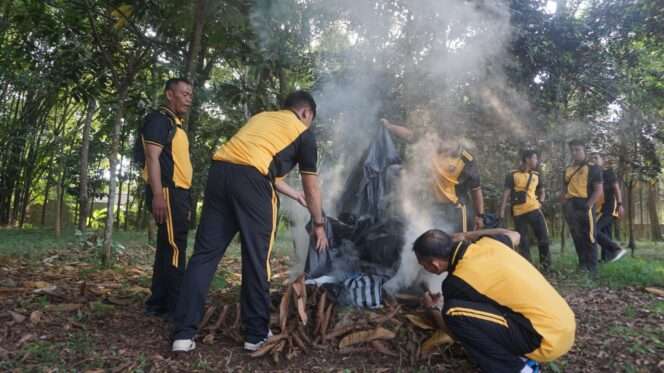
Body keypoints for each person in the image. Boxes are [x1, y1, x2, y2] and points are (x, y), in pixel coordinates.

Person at [171, 91, 328, 353]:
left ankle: (183, 335)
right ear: (306, 114)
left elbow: (259, 166)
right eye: (309, 119)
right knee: (257, 258)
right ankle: (256, 333)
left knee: (204, 255)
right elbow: (312, 187)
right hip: (252, 184)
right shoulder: (304, 133)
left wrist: (294, 195)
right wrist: (319, 224)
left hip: (219, 174)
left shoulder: (262, 118)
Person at [415, 228, 575, 373]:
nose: (425, 270)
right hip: (564, 324)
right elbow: (515, 234)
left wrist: (432, 309)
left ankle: (519, 369)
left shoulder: (455, 283)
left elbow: (454, 332)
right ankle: (521, 356)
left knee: (452, 312)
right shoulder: (489, 243)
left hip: (544, 340)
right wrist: (465, 235)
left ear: (435, 264)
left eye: (423, 265)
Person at [141, 78, 193, 319]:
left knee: (167, 247)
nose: (188, 98)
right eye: (184, 93)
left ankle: (158, 303)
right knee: (175, 248)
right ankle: (176, 306)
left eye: (190, 94)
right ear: (169, 95)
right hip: (168, 191)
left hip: (178, 193)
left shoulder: (176, 125)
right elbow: (152, 158)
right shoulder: (159, 120)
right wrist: (158, 194)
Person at [382, 119, 485, 232]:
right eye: (442, 137)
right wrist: (389, 126)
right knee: (434, 241)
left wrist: (479, 216)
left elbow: (476, 190)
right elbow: (408, 135)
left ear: (457, 139)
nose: (442, 141)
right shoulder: (429, 146)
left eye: (448, 138)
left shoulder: (466, 159)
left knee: (460, 242)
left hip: (458, 209)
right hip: (435, 207)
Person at [499, 150, 551, 271]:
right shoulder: (512, 175)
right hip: (518, 212)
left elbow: (542, 190)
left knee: (543, 237)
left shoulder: (536, 175)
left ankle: (546, 266)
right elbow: (506, 194)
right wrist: (501, 212)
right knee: (523, 241)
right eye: (534, 158)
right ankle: (528, 268)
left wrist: (541, 202)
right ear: (527, 159)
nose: (536, 161)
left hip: (535, 210)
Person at [561, 139, 603, 273]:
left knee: (589, 236)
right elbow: (565, 188)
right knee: (576, 236)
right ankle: (582, 265)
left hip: (585, 205)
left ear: (584, 151)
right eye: (572, 150)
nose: (574, 153)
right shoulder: (568, 170)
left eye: (577, 150)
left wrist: (588, 206)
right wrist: (563, 202)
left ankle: (592, 268)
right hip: (570, 206)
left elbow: (598, 190)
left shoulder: (593, 168)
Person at [589, 152, 627, 263]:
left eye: (596, 158)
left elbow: (616, 189)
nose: (594, 160)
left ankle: (616, 248)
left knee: (594, 230)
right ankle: (607, 259)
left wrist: (620, 204)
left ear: (602, 160)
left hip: (610, 208)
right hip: (599, 209)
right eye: (592, 159)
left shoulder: (608, 172)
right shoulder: (593, 175)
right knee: (606, 232)